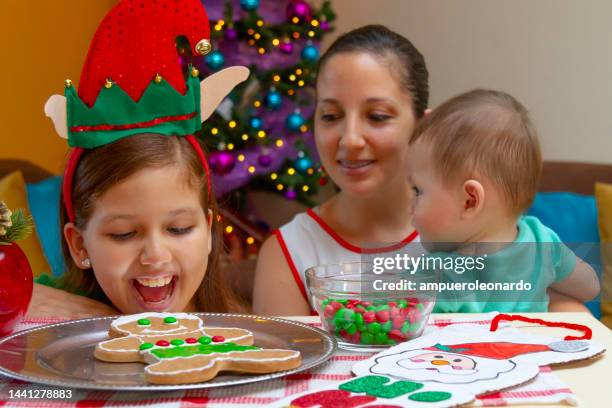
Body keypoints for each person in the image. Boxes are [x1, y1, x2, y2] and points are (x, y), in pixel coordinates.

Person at [30, 0, 248, 317]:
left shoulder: (241, 336)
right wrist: (29, 297)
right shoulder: (47, 315)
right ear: (80, 246)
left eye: (179, 229)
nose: (155, 256)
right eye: (124, 234)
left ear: (209, 229)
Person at [253, 25, 429, 315]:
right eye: (331, 116)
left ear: (422, 127)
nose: (350, 139)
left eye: (377, 116)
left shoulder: (468, 239)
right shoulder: (288, 254)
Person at [407, 89, 600, 312]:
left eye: (418, 190)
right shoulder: (542, 241)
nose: (410, 205)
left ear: (469, 201)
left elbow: (395, 322)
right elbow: (589, 287)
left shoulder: (439, 274)